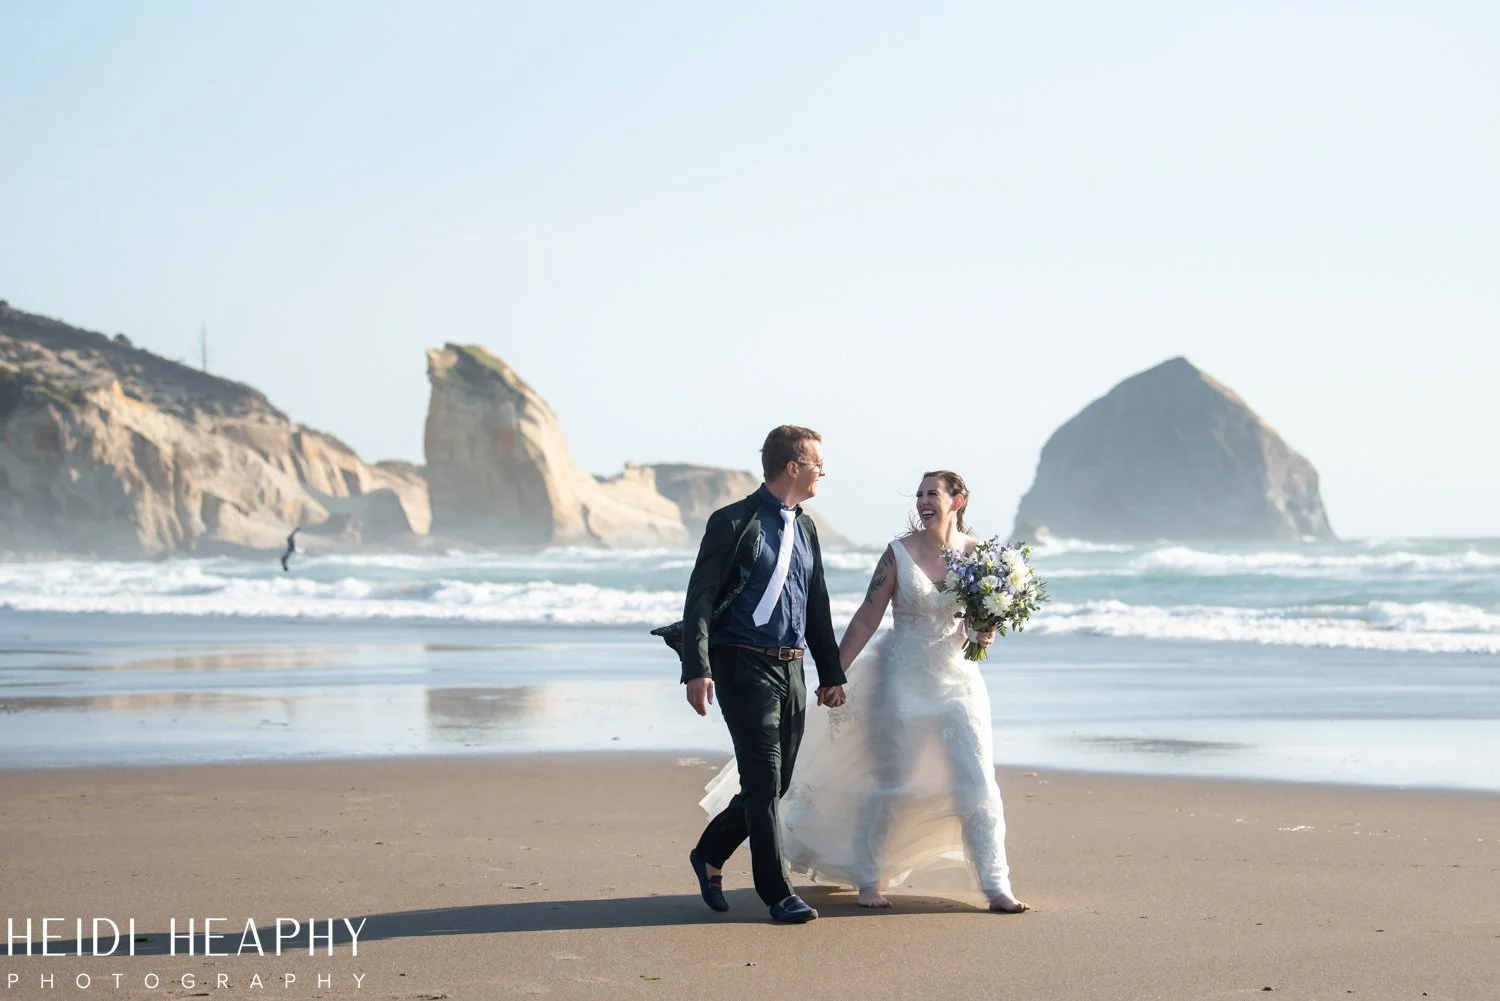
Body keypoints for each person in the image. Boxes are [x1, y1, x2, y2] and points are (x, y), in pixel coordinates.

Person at [700, 470, 1030, 913]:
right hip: (900, 681)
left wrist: (985, 630)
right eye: (919, 495)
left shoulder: (982, 560)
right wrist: (834, 673)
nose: (923, 502)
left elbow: (978, 623)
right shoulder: (898, 555)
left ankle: (996, 885)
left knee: (978, 783)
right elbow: (865, 619)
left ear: (958, 500)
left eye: (932, 494)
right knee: (893, 783)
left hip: (959, 683)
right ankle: (870, 877)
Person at [681, 425, 848, 924]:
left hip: (792, 667)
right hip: (741, 663)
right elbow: (701, 596)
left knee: (775, 784)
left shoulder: (809, 528)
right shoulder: (733, 521)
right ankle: (777, 893)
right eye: (819, 462)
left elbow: (816, 606)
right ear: (793, 467)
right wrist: (697, 667)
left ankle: (709, 852)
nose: (825, 471)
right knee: (762, 778)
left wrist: (830, 672)